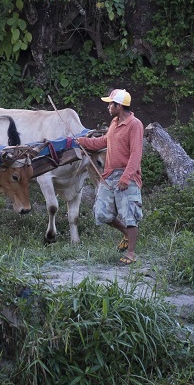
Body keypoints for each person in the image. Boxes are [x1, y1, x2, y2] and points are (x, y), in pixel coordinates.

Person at [78, 88, 144, 265]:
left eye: (110, 104)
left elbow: (136, 154)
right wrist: (81, 141)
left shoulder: (135, 124)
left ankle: (131, 253)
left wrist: (126, 177)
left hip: (126, 175)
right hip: (108, 175)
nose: (108, 106)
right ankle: (125, 233)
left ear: (119, 106)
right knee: (101, 213)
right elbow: (102, 142)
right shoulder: (114, 122)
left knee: (130, 214)